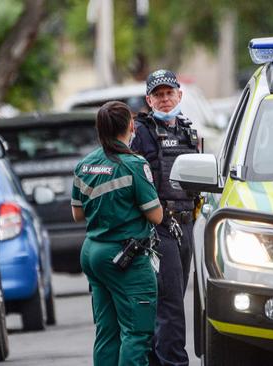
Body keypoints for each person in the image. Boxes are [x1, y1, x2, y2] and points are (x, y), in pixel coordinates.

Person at [71, 101, 163, 366]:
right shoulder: (134, 164)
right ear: (130, 125)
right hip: (124, 258)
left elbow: (78, 214)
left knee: (107, 333)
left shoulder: (84, 165)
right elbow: (155, 215)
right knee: (136, 333)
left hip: (93, 253)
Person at [131, 69, 199, 366]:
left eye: (169, 93)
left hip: (186, 225)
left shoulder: (187, 131)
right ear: (149, 99)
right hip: (159, 228)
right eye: (158, 95)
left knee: (172, 299)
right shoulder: (142, 133)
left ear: (179, 95)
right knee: (170, 304)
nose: (165, 99)